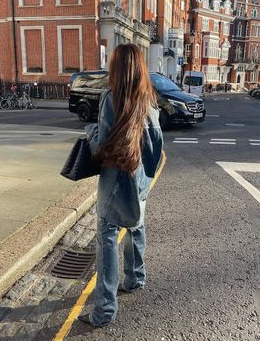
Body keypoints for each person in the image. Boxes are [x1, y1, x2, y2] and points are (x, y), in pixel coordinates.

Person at [78, 44, 163, 327]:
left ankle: (104, 310)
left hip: (114, 182)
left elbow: (102, 145)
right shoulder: (149, 102)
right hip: (139, 180)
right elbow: (157, 147)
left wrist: (90, 132)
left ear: (116, 69)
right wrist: (145, 177)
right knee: (136, 226)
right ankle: (136, 277)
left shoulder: (110, 99)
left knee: (107, 239)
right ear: (140, 70)